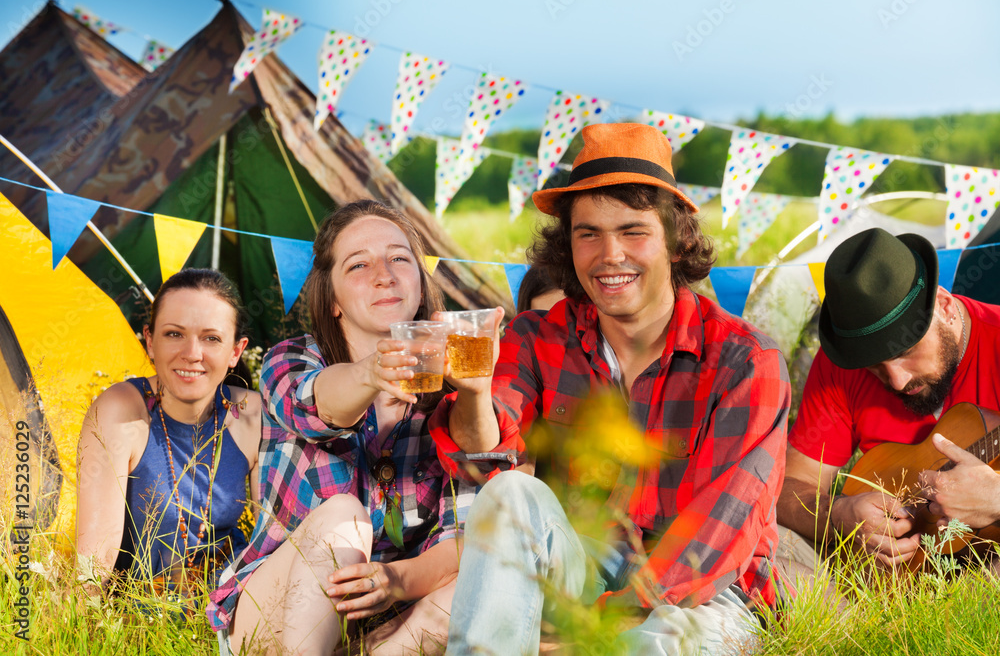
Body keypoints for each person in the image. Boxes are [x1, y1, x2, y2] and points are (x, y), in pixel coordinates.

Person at [429, 123, 791, 654]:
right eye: (588, 233)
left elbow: (717, 538)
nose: (609, 255)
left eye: (633, 231)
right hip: (584, 567)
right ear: (568, 245)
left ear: (675, 240)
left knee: (653, 647)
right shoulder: (537, 336)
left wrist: (593, 631)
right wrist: (476, 394)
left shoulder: (745, 361)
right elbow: (479, 468)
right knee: (509, 495)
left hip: (705, 595)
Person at [207, 200, 478, 655]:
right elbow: (318, 408)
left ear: (419, 280)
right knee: (342, 515)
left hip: (387, 622)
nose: (384, 274)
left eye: (398, 258)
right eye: (359, 265)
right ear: (332, 300)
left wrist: (397, 581)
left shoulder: (452, 396)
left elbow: (463, 535)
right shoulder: (291, 361)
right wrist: (372, 373)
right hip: (275, 609)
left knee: (480, 583)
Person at [778, 228, 1000, 569]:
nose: (897, 381)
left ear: (945, 307)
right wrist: (839, 515)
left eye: (906, 350)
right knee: (771, 539)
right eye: (874, 366)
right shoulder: (844, 365)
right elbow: (788, 489)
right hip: (887, 575)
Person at [76, 268, 261, 597]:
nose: (192, 353)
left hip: (237, 603)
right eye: (174, 334)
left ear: (236, 350)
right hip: (143, 616)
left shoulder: (253, 414)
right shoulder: (120, 411)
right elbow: (94, 565)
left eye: (211, 338)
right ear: (149, 341)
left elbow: (273, 541)